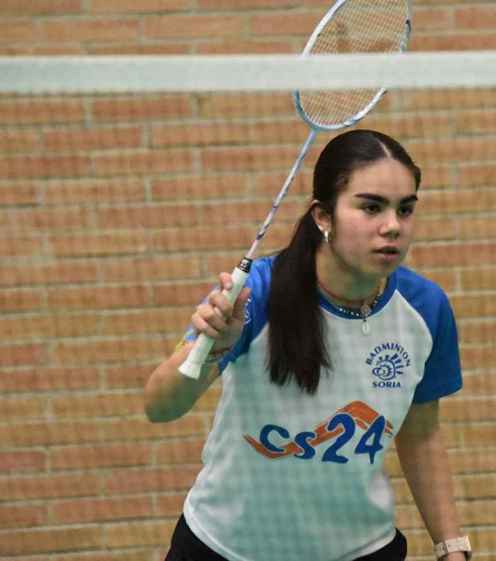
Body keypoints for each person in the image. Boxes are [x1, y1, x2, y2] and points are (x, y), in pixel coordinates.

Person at [145, 129, 472, 561]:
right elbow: (159, 406)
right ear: (323, 216)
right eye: (371, 206)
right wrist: (211, 347)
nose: (392, 225)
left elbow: (421, 434)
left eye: (405, 209)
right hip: (227, 547)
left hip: (359, 549)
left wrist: (451, 547)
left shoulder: (425, 308)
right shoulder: (256, 294)